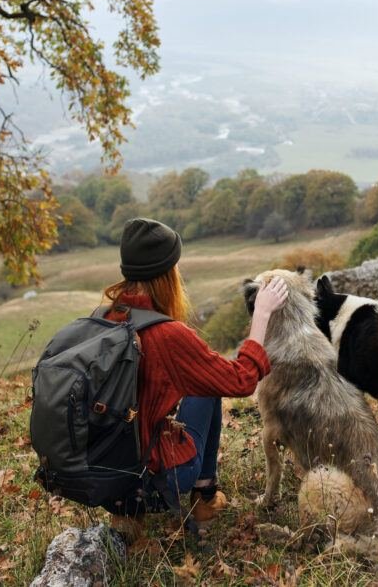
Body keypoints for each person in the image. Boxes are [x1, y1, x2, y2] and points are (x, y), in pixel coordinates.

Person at [102, 217, 288, 539]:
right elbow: (241, 380)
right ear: (167, 274)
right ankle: (204, 498)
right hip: (155, 480)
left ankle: (127, 516)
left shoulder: (106, 317)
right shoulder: (167, 334)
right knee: (208, 388)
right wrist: (261, 314)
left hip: (106, 475)